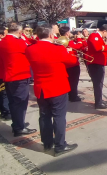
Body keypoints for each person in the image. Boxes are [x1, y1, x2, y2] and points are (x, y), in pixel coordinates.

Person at [25, 24, 79, 156]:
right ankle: (60, 145)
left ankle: (47, 143)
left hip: (41, 88)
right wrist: (68, 51)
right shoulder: (58, 48)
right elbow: (72, 62)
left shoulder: (30, 49)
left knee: (44, 116)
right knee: (59, 117)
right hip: (58, 87)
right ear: (50, 35)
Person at [0, 22, 37, 137]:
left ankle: (17, 123)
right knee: (20, 103)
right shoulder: (19, 42)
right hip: (20, 76)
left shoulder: (2, 42)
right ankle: (19, 128)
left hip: (9, 76)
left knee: (13, 102)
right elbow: (32, 50)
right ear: (20, 32)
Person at [85, 24, 107, 109]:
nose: (106, 35)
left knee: (99, 83)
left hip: (99, 62)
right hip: (95, 63)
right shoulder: (94, 35)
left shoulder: (99, 37)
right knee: (97, 83)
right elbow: (97, 48)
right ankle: (98, 103)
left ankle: (99, 100)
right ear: (104, 31)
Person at [59, 27, 82, 102]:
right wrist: (79, 39)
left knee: (68, 81)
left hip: (65, 65)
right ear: (67, 33)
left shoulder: (59, 40)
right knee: (74, 82)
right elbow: (79, 46)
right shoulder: (68, 41)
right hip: (73, 64)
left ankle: (69, 95)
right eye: (69, 32)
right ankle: (73, 96)